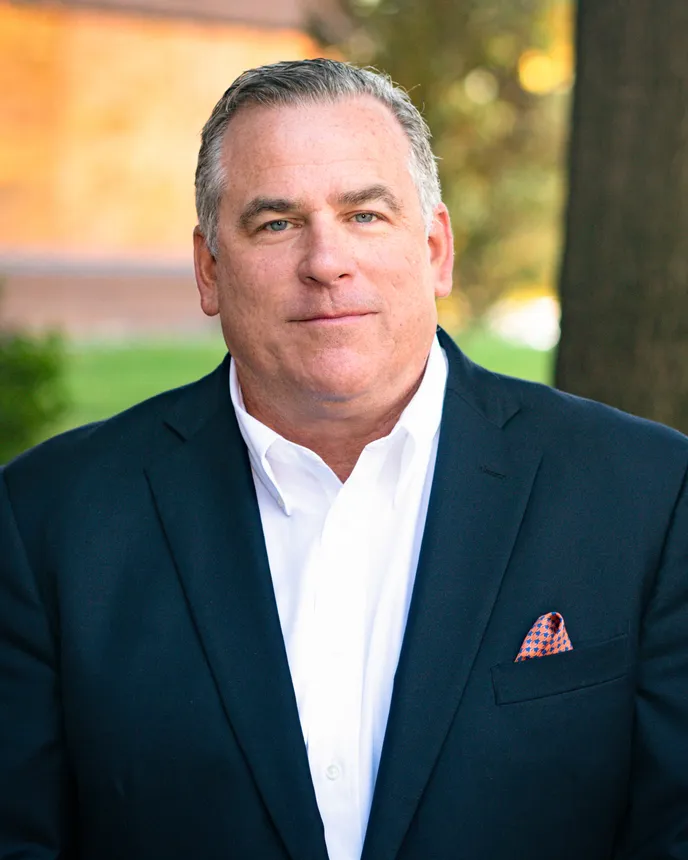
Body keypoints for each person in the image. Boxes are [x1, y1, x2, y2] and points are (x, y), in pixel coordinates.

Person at [1, 58, 687, 860]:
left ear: (434, 249)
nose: (326, 262)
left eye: (364, 215)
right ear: (208, 269)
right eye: (276, 223)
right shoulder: (48, 521)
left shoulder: (647, 496)